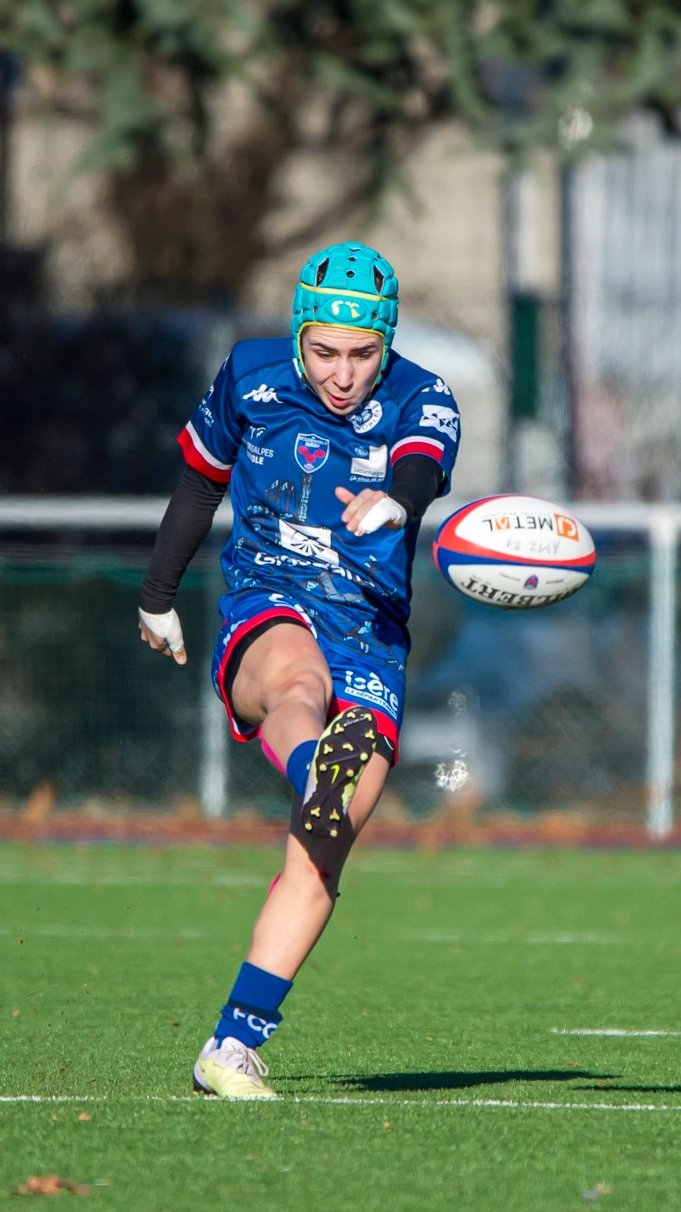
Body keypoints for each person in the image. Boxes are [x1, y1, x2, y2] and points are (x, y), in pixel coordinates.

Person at [137, 242, 461, 1099]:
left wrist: (399, 500)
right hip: (268, 597)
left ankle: (231, 1047)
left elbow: (420, 465)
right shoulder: (249, 377)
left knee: (324, 849)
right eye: (325, 352)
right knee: (294, 681)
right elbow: (200, 485)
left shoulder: (424, 394)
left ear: (385, 343)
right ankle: (315, 760)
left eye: (362, 354)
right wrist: (156, 595)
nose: (344, 374)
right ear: (297, 335)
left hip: (371, 633)